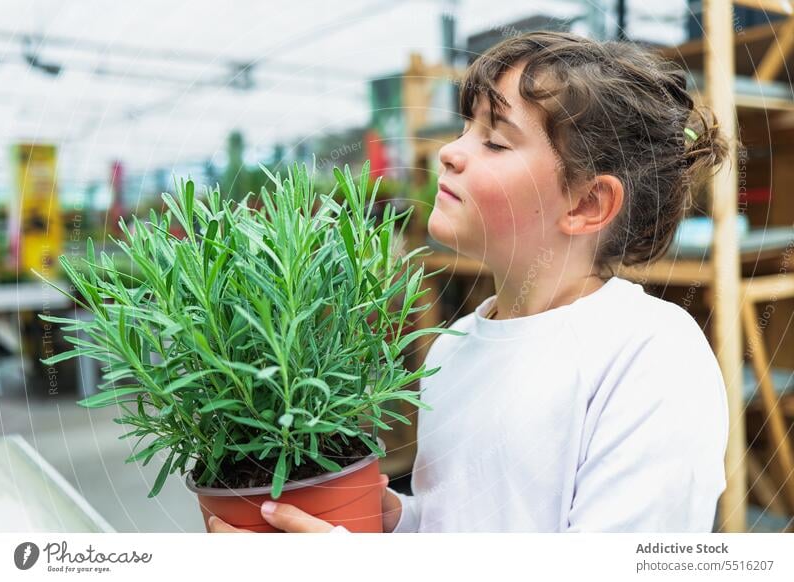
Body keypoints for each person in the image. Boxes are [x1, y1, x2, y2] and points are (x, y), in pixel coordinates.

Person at [211, 30, 730, 534]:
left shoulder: (651, 353)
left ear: (587, 204)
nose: (450, 152)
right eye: (466, 128)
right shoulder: (452, 349)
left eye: (497, 142)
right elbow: (455, 527)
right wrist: (394, 520)